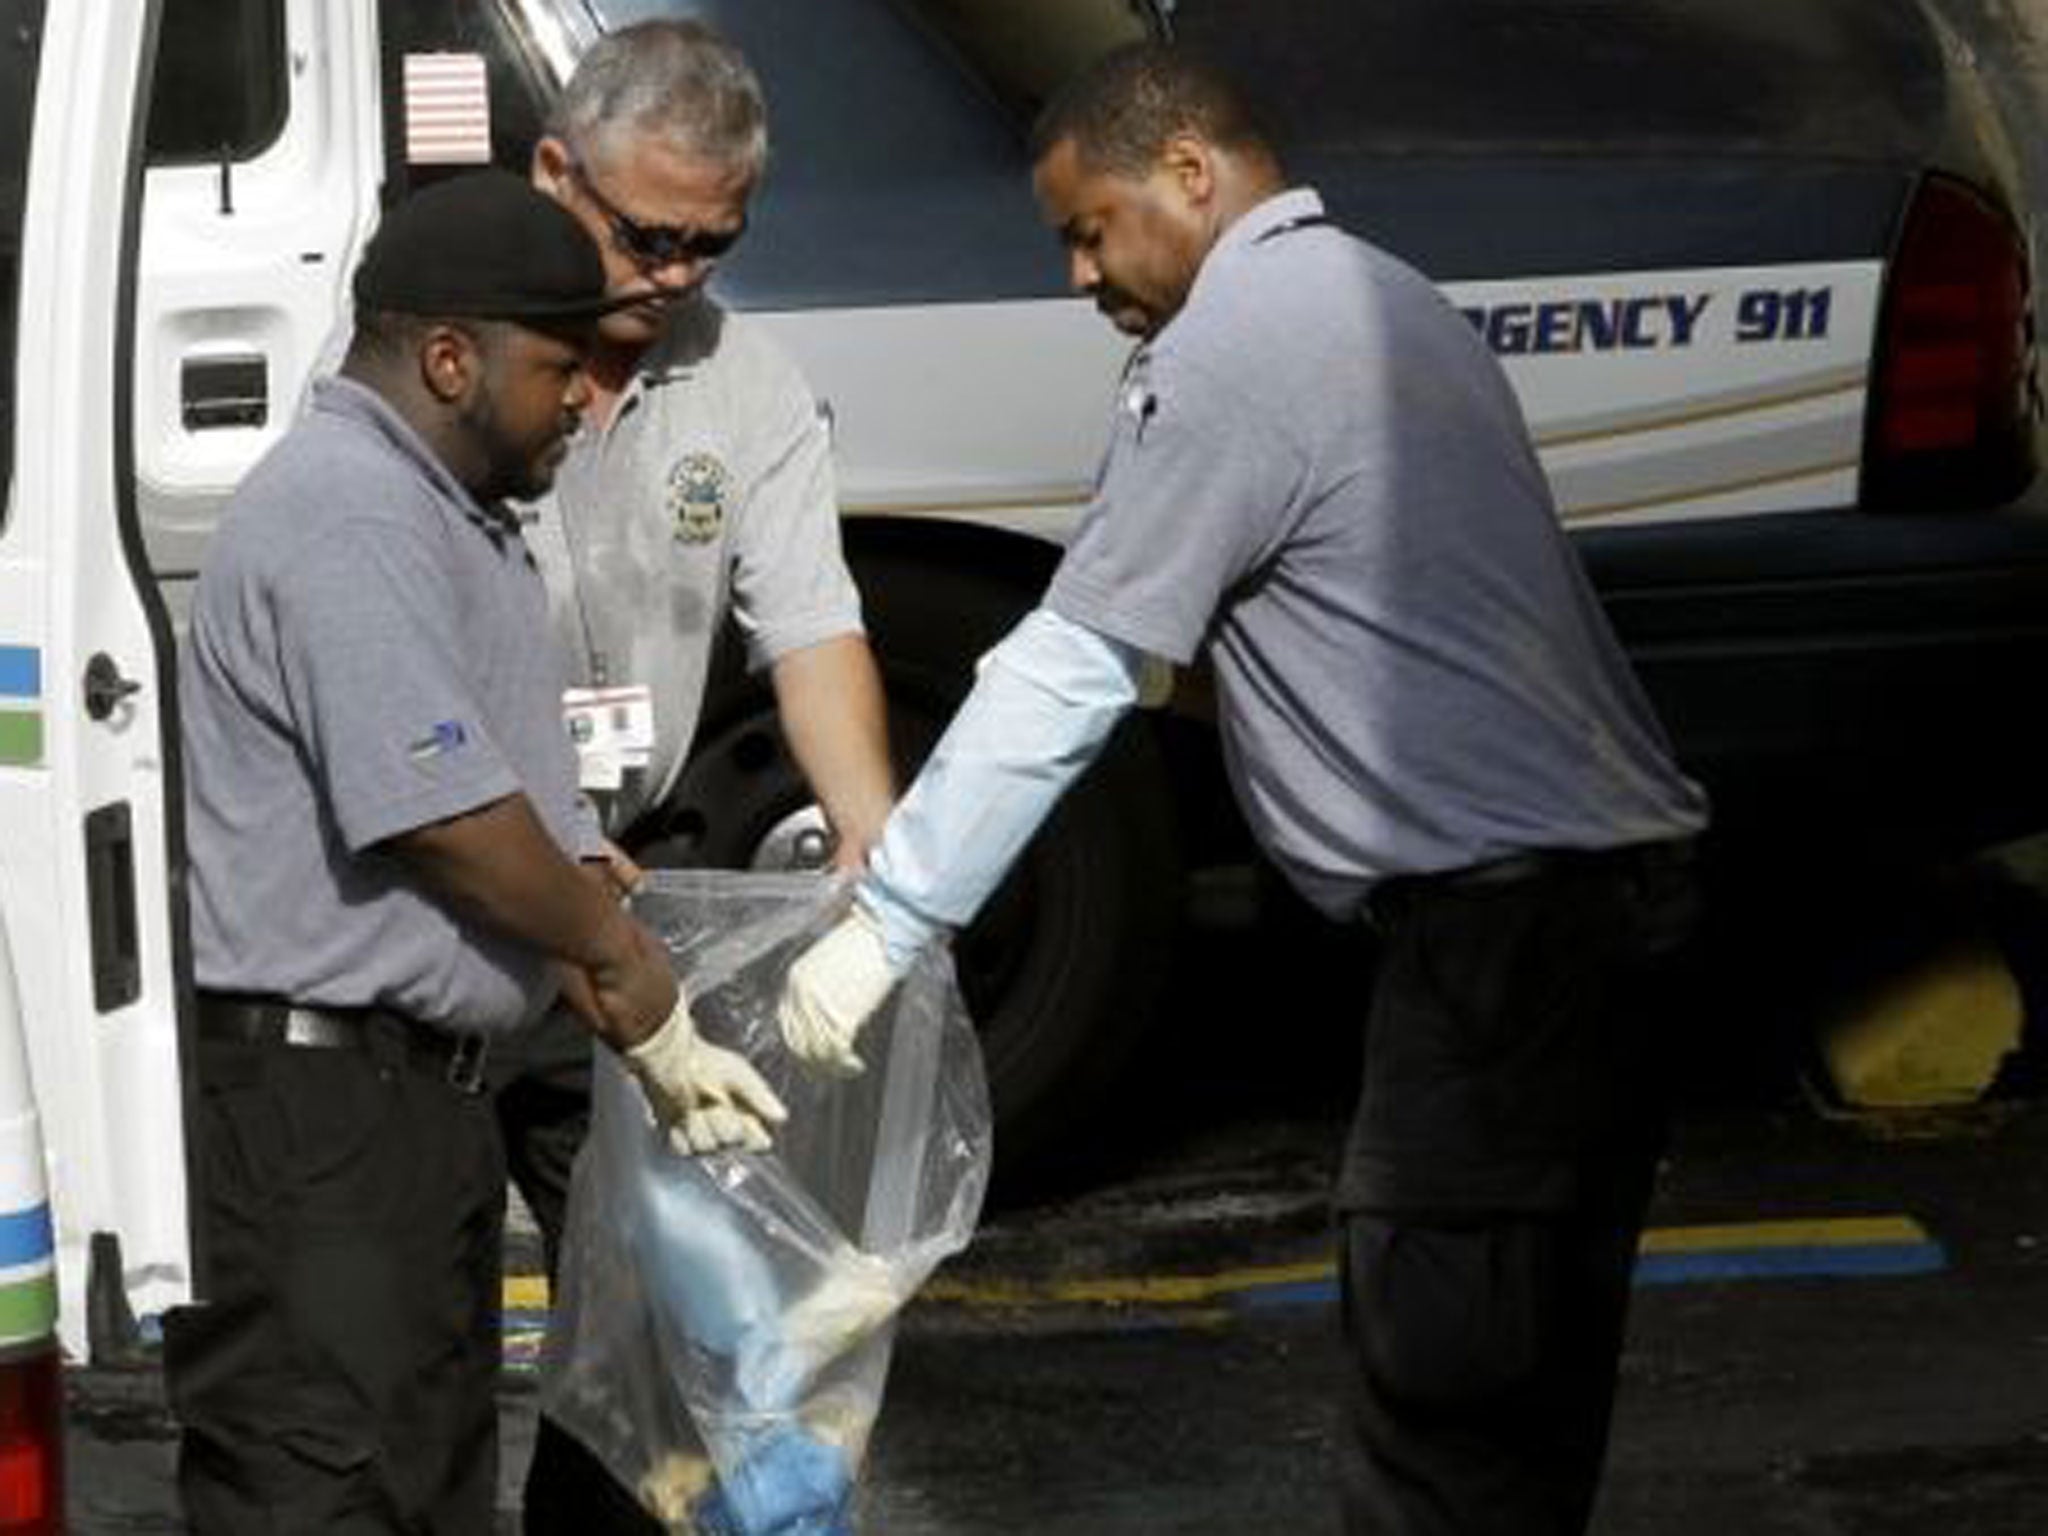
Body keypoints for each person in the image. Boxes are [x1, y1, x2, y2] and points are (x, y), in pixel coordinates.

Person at [777, 43, 1711, 1536]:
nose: (1080, 276)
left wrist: (887, 924)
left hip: (1501, 943)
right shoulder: (1388, 299)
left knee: (1441, 1408)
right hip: (1612, 917)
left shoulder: (1229, 349)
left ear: (1191, 174)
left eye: (1091, 230)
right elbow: (1353, 625)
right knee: (1526, 1409)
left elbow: (1067, 670)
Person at [168, 170, 787, 1534]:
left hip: (407, 1112)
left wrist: (579, 878)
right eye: (559, 368)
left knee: (424, 1485)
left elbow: (486, 784)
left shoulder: (440, 513)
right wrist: (614, 956)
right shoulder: (349, 512)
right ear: (451, 360)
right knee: (327, 1489)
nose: (582, 400)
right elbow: (440, 813)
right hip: (322, 1121)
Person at [502, 20, 896, 1530]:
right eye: (643, 235)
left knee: (649, 1317)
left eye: (710, 244)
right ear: (556, 171)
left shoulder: (746, 382)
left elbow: (813, 625)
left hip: (630, 893)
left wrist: (872, 841)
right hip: (456, 877)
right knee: (411, 1322)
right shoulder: (456, 357)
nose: (672, 275)